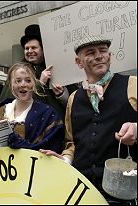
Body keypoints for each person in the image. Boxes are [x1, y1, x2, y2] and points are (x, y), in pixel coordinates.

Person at [40, 35, 137, 205]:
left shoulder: (132, 84)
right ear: (79, 62)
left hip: (123, 192)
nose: (99, 56)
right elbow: (72, 143)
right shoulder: (73, 98)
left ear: (109, 56)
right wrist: (64, 160)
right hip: (83, 191)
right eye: (91, 53)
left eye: (103, 51)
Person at [0, 62, 64, 156]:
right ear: (10, 84)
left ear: (34, 83)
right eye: (18, 81)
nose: (23, 85)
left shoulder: (47, 113)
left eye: (28, 80)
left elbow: (53, 146)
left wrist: (23, 146)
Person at [0, 24, 78, 122]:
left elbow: (73, 102)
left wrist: (61, 94)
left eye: (34, 48)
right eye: (27, 48)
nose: (30, 51)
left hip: (54, 127)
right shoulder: (17, 72)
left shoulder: (56, 68)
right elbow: (8, 102)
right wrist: (39, 84)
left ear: (43, 49)